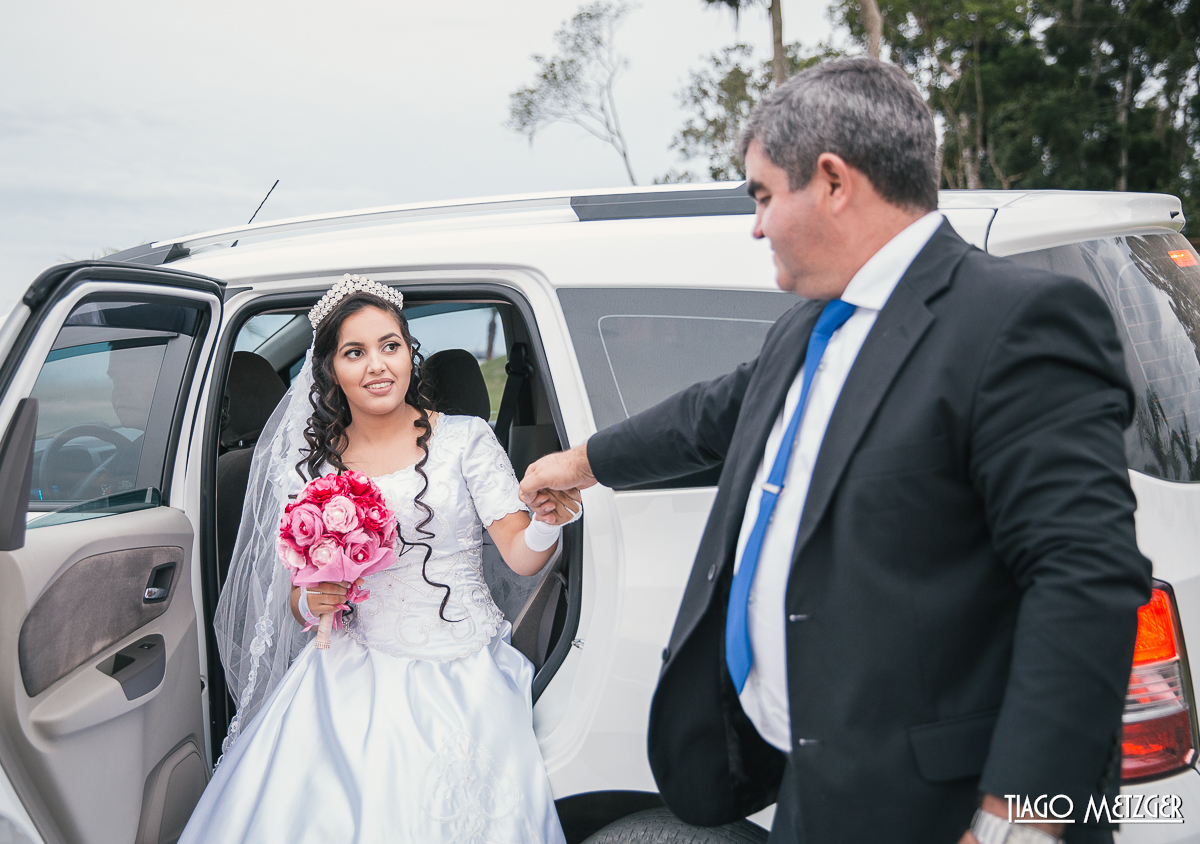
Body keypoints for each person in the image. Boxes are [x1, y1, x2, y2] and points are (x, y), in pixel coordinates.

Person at [520, 58, 1151, 844]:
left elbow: (1083, 577)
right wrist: (577, 464)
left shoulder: (1015, 322)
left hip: (943, 811)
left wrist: (1020, 821)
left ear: (832, 182)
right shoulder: (809, 327)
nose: (756, 226)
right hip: (815, 791)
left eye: (762, 196)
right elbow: (710, 418)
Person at [181, 275, 578, 843]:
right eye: (355, 352)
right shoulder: (316, 465)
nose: (378, 366)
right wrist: (314, 600)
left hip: (462, 664)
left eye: (390, 346)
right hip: (350, 663)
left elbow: (520, 557)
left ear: (409, 353)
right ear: (330, 370)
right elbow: (298, 597)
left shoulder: (466, 440)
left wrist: (545, 522)